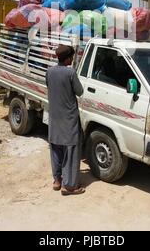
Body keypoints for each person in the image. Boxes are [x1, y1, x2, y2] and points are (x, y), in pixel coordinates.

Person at [46, 45, 85, 196]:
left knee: (56, 148)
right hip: (69, 118)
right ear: (68, 58)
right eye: (72, 57)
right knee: (71, 150)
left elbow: (50, 87)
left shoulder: (49, 72)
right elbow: (80, 91)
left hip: (55, 116)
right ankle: (69, 186)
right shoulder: (71, 72)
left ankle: (57, 180)